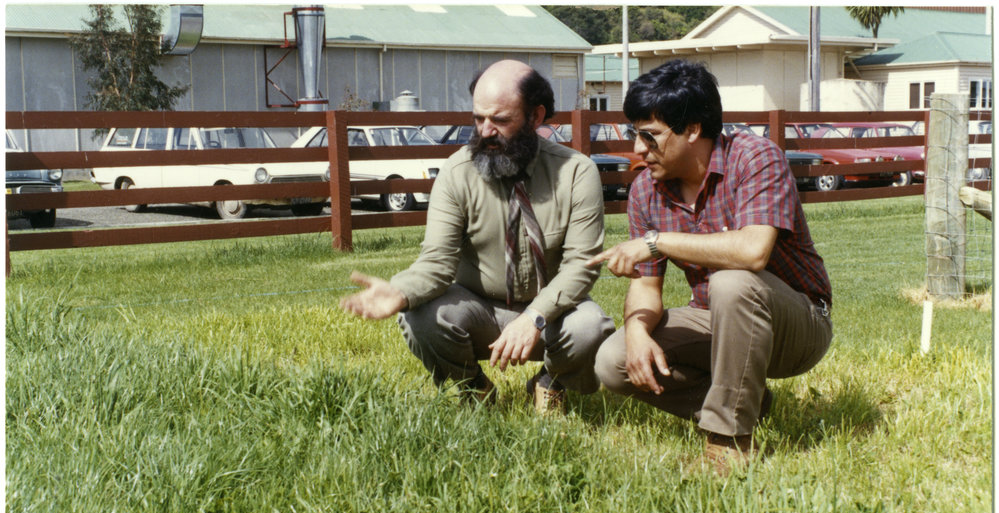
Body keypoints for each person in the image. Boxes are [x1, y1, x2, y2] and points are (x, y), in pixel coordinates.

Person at [587, 59, 833, 475]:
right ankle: (747, 399)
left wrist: (655, 241)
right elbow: (648, 287)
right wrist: (635, 331)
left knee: (732, 282)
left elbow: (754, 251)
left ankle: (728, 442)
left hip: (798, 324)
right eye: (635, 134)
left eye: (651, 136)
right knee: (613, 361)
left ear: (694, 130)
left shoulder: (755, 158)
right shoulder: (646, 190)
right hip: (714, 318)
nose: (637, 149)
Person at [341, 60, 615, 413]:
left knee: (591, 327)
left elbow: (582, 266)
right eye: (478, 118)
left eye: (500, 120)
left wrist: (534, 316)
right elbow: (436, 263)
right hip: (480, 309)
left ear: (536, 116)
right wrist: (400, 290)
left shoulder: (577, 172)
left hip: (551, 314)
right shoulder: (457, 173)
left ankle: (550, 382)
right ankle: (474, 387)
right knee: (420, 316)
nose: (485, 131)